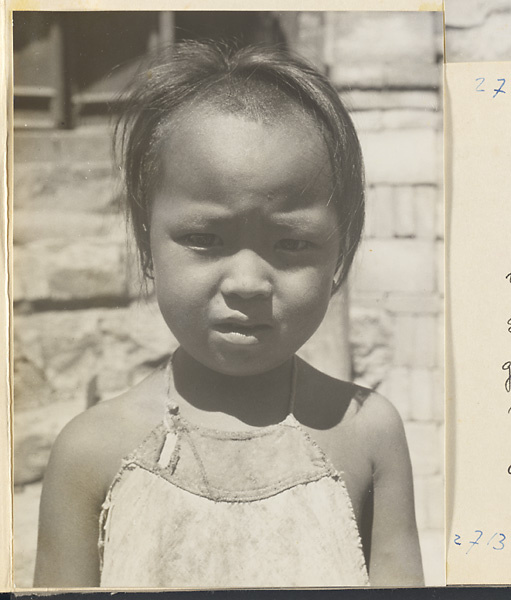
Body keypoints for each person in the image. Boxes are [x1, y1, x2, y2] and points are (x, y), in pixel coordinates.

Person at [33, 41, 424, 588]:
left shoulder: (366, 434)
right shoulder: (91, 451)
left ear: (342, 252)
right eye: (203, 238)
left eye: (290, 243)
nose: (246, 283)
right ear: (147, 245)